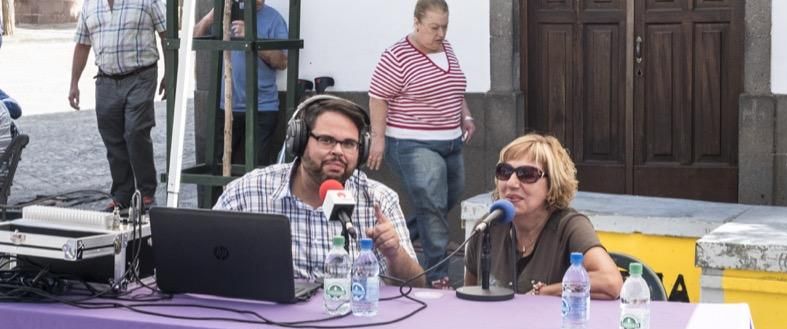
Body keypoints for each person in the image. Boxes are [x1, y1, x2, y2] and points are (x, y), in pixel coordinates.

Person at [214, 95, 426, 287]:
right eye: (326, 140)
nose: (338, 151)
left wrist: (394, 253)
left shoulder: (379, 200)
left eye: (349, 144)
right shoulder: (248, 192)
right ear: (299, 140)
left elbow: (416, 288)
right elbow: (207, 257)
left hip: (353, 326)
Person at [367, 0, 474, 289]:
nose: (441, 33)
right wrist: (377, 139)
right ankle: (437, 275)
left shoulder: (446, 48)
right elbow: (378, 96)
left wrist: (466, 115)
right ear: (416, 23)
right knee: (433, 204)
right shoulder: (397, 56)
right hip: (412, 143)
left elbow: (454, 87)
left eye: (445, 26)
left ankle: (396, 235)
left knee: (448, 198)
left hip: (450, 141)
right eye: (434, 27)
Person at [465, 133, 623, 299]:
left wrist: (548, 291)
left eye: (527, 174)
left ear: (552, 183)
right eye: (504, 172)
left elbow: (610, 282)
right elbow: (469, 299)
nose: (511, 183)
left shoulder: (570, 226)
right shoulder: (487, 227)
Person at [69, 0, 167, 212]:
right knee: (112, 139)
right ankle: (123, 194)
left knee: (135, 132)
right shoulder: (90, 5)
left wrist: (171, 72)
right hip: (105, 80)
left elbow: (166, 34)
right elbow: (82, 44)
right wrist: (74, 83)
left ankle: (147, 193)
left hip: (141, 76)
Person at [194, 0, 288, 167]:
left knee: (257, 168)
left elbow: (281, 62)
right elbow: (193, 39)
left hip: (262, 107)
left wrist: (251, 36)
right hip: (227, 106)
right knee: (217, 165)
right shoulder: (229, 14)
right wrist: (210, 18)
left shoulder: (274, 19)